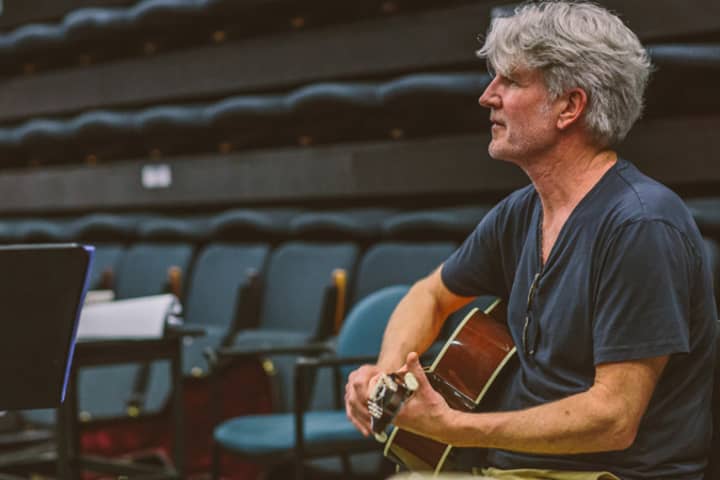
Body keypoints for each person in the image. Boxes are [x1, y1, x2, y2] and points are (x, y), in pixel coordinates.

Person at [344, 2, 717, 479]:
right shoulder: (521, 212)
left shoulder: (640, 225)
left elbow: (613, 419)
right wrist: (385, 377)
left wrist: (454, 427)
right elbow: (430, 294)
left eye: (511, 81)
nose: (487, 96)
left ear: (570, 106)